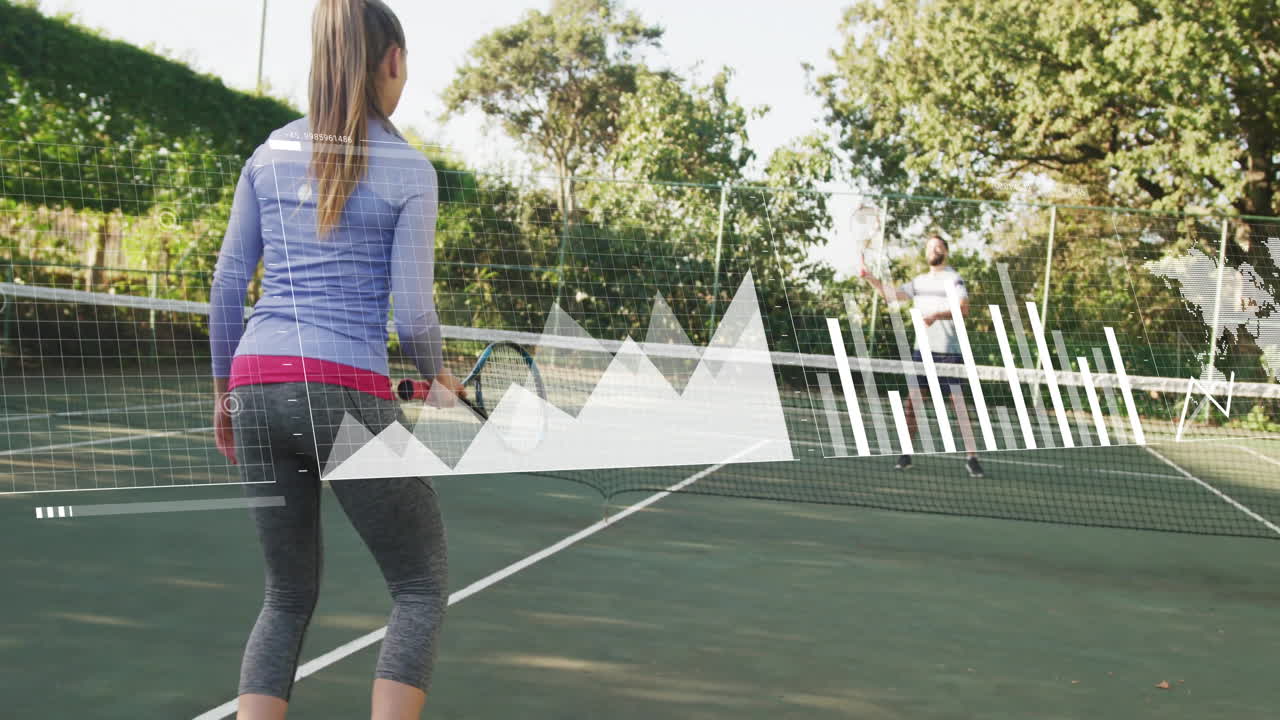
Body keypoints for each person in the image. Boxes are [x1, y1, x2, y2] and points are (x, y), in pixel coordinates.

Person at [208, 1, 463, 718]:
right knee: (417, 585)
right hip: (344, 394)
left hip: (256, 385)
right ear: (392, 61)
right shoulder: (411, 171)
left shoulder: (266, 155)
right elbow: (412, 314)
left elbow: (228, 284)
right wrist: (435, 368)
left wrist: (227, 391)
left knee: (285, 598)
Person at [860, 232, 985, 478]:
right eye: (930, 247)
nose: (933, 250)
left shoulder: (954, 279)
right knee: (912, 405)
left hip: (949, 352)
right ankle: (906, 454)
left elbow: (964, 308)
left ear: (945, 252)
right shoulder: (918, 282)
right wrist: (870, 278)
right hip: (922, 352)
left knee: (958, 405)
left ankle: (972, 457)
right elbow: (891, 295)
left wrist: (935, 316)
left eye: (938, 246)